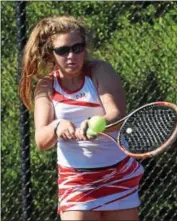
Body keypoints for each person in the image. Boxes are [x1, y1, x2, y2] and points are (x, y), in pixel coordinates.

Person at [19, 15, 144, 221]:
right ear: (50, 53)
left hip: (119, 175)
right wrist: (57, 125)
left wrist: (97, 125)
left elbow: (118, 116)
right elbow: (41, 140)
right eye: (63, 50)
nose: (72, 55)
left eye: (78, 48)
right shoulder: (46, 86)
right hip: (76, 180)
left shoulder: (100, 71)